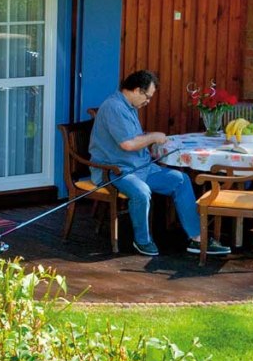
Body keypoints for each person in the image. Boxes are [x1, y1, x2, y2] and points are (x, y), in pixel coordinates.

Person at [89, 70, 230, 257]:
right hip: (115, 170)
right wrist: (153, 136)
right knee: (141, 192)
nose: (148, 102)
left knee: (181, 180)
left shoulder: (129, 106)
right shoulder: (113, 107)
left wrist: (150, 140)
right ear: (137, 90)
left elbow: (134, 138)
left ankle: (197, 239)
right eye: (147, 97)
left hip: (141, 167)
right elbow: (127, 144)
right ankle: (142, 241)